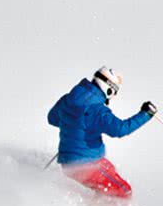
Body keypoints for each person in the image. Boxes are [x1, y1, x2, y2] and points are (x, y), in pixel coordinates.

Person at [48, 67, 155, 199]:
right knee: (124, 191)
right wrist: (146, 114)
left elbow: (52, 118)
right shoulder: (97, 111)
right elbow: (120, 129)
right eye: (114, 92)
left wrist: (74, 126)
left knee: (109, 169)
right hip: (86, 165)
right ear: (108, 88)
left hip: (68, 163)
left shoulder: (68, 99)